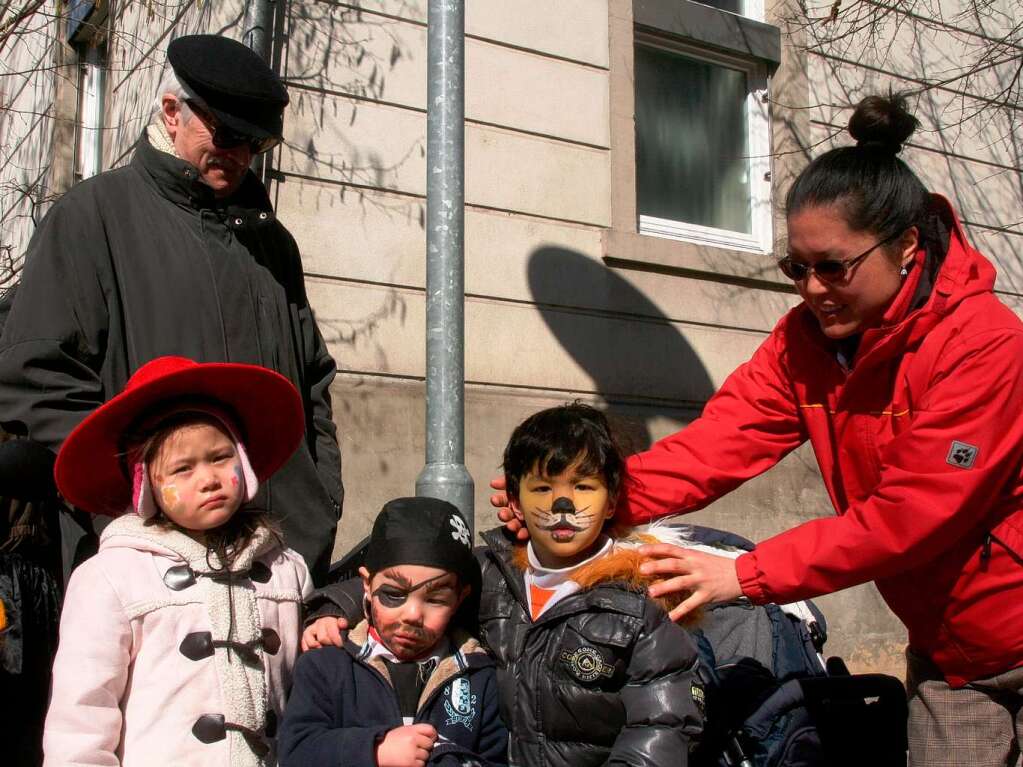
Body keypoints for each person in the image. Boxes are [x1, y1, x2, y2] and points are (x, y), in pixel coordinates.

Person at [488, 94, 1023, 767]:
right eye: (795, 269)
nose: (812, 290)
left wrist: (743, 574)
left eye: (833, 267)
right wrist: (580, 503)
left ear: (907, 247)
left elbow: (912, 513)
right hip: (951, 656)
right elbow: (717, 442)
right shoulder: (805, 346)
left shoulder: (984, 344)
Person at [0, 34, 342, 584]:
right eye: (227, 135)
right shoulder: (92, 216)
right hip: (148, 567)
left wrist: (318, 505)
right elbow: (33, 377)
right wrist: (142, 491)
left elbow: (313, 385)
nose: (239, 158)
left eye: (256, 145)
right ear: (171, 112)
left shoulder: (271, 241)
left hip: (279, 559)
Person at [308, 404, 706, 766]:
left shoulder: (646, 601)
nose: (562, 506)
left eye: (583, 487)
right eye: (543, 489)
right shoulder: (492, 573)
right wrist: (333, 610)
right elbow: (413, 579)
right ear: (514, 501)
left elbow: (662, 728)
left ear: (612, 501)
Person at [43, 355, 312, 766]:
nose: (208, 479)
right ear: (147, 485)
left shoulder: (285, 569)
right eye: (182, 469)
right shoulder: (111, 578)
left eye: (221, 457)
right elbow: (82, 713)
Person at [278, 497, 508, 767]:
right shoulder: (325, 666)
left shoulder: (479, 676)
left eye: (435, 599)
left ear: (460, 598)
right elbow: (296, 752)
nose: (412, 615)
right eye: (394, 594)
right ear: (367, 584)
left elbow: (496, 758)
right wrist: (375, 751)